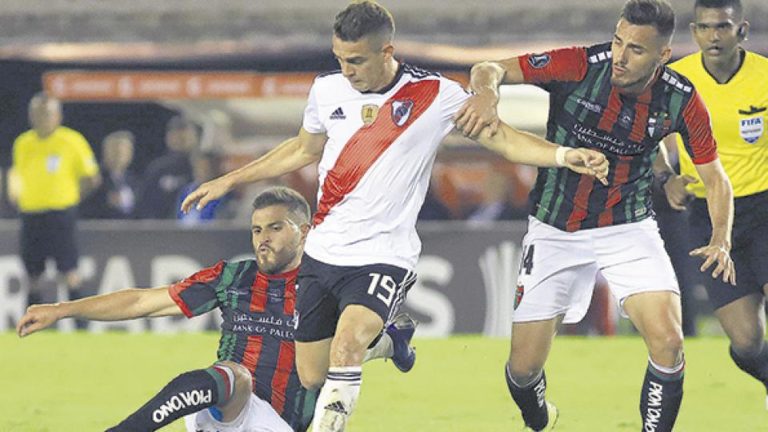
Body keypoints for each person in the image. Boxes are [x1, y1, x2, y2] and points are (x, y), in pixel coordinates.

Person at [181, 2, 609, 430]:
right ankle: (391, 342)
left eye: (356, 60)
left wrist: (563, 155)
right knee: (312, 373)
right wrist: (229, 179)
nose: (346, 69)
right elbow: (302, 149)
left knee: (346, 348)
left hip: (385, 255)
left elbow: (502, 139)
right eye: (340, 58)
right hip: (324, 252)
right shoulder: (327, 89)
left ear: (387, 51)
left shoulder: (436, 95)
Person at [456, 0, 735, 430]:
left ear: (662, 55)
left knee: (668, 342)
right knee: (523, 370)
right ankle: (540, 417)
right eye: (618, 40)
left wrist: (721, 238)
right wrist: (488, 94)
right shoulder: (580, 65)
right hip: (555, 227)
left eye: (636, 50)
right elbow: (488, 68)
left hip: (629, 226)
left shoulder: (681, 99)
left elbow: (715, 178)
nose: (621, 57)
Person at [16, 187, 417, 432]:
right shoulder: (234, 276)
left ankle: (392, 342)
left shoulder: (324, 284)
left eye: (276, 228)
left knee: (244, 373)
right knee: (232, 375)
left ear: (304, 231)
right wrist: (62, 309)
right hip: (220, 410)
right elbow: (143, 300)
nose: (263, 239)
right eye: (257, 229)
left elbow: (343, 349)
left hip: (277, 424)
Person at [657, 0, 768, 408]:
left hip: (764, 209)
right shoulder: (676, 81)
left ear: (741, 29)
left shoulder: (765, 77)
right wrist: (666, 176)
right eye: (704, 28)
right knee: (746, 342)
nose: (713, 36)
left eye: (722, 27)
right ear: (693, 31)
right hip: (707, 216)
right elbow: (649, 134)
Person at [10, 92, 101, 306]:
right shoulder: (23, 143)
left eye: (47, 113)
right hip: (31, 214)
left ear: (58, 116)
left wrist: (72, 197)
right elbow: (17, 174)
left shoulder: (71, 140)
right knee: (32, 274)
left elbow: (92, 178)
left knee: (68, 270)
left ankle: (81, 326)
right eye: (37, 113)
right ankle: (32, 326)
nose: (42, 118)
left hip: (60, 214)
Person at [135, 115, 197, 219]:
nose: (180, 139)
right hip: (163, 228)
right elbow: (144, 203)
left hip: (195, 228)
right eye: (175, 135)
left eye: (184, 135)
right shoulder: (158, 168)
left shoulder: (200, 167)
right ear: (168, 138)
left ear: (194, 137)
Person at [80, 130, 138, 219]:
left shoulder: (133, 180)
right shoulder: (93, 177)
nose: (120, 154)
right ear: (105, 151)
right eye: (115, 149)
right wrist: (105, 202)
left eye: (125, 150)